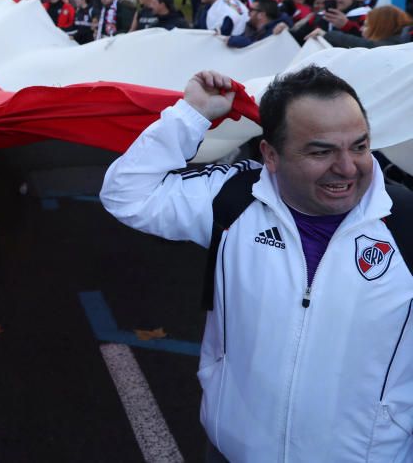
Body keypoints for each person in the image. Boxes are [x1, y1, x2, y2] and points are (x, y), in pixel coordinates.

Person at [101, 65, 413, 462]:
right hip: (233, 452)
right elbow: (126, 194)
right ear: (270, 155)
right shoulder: (234, 197)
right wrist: (191, 114)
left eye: (359, 146)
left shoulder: (405, 222)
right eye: (321, 151)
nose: (347, 168)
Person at [305, 5, 413, 48]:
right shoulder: (402, 40)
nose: (361, 29)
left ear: (381, 27)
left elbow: (367, 45)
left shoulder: (394, 46)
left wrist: (326, 34)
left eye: (366, 25)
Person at [226, 0, 292, 48]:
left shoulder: (278, 31)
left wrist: (232, 40)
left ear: (261, 15)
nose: (248, 13)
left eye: (251, 10)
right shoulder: (251, 28)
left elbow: (257, 46)